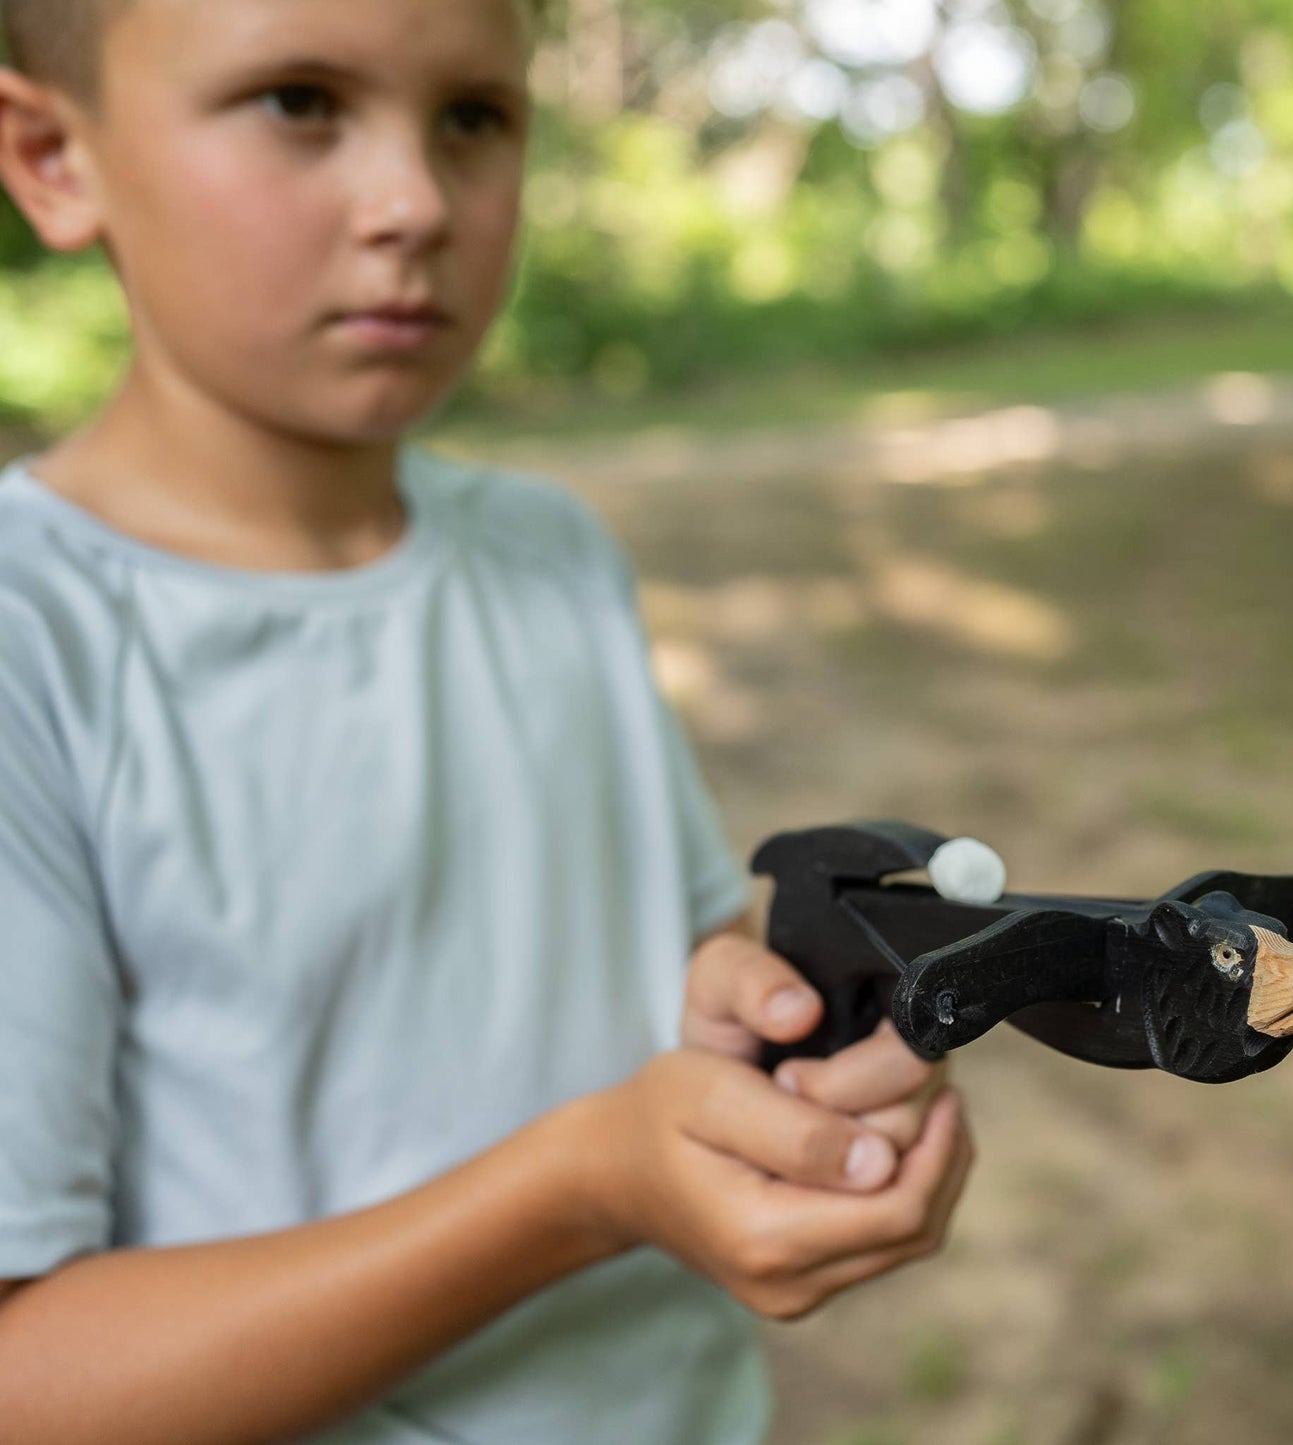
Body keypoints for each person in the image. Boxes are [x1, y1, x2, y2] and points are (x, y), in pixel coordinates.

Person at [0, 0, 976, 1440]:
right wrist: (584, 1184)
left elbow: (690, 959)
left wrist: (794, 1040)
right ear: (52, 156)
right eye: (295, 101)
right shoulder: (38, 641)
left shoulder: (549, 550)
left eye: (472, 116)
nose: (413, 204)